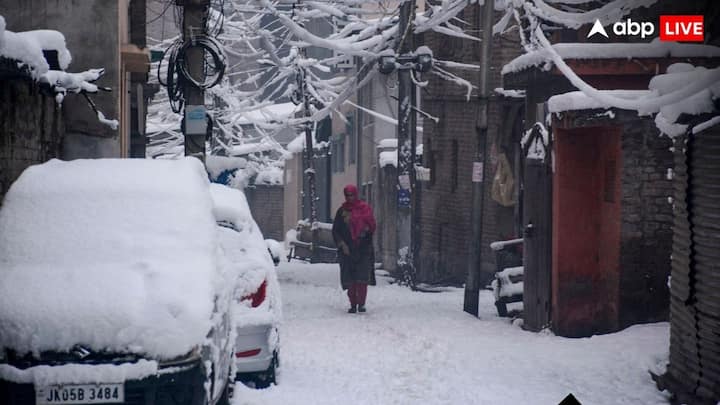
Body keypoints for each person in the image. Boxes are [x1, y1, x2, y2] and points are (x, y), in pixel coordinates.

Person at [332, 184, 377, 313]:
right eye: (347, 195)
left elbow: (372, 225)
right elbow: (336, 230)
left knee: (362, 279)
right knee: (350, 279)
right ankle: (353, 304)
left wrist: (365, 231)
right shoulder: (342, 212)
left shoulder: (364, 209)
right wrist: (342, 244)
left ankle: (361, 303)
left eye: (351, 195)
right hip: (347, 251)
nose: (349, 198)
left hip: (363, 248)